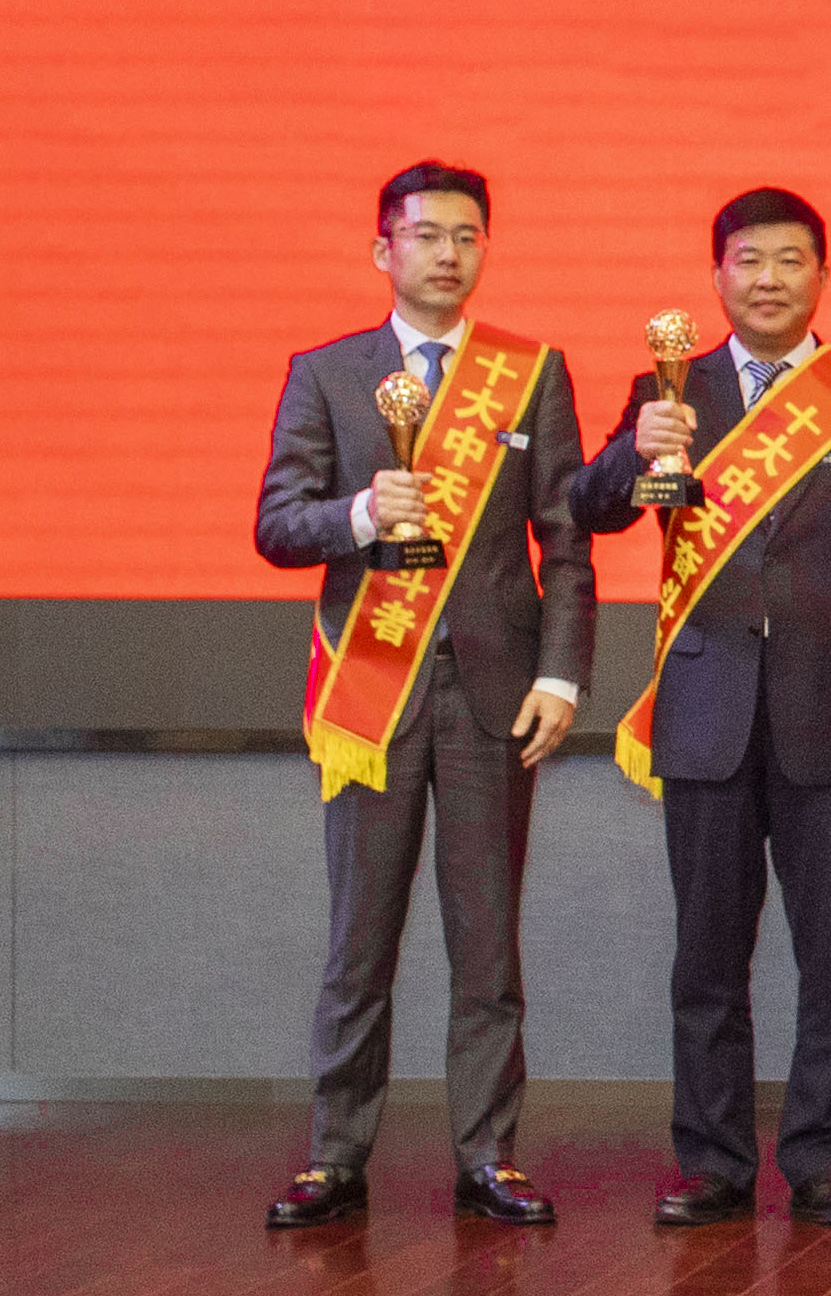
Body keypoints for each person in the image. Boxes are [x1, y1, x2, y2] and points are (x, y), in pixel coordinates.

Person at [578, 185, 831, 1231]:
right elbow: (589, 505)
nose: (769, 278)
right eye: (749, 259)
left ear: (822, 274)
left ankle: (829, 1158)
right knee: (706, 956)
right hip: (707, 710)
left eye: (790, 259)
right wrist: (634, 449)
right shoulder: (671, 389)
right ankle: (713, 1160)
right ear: (718, 275)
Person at [252, 160, 592, 1232]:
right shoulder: (326, 373)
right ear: (383, 249)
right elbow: (278, 523)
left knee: (488, 945)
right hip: (373, 693)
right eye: (426, 234)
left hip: (497, 694)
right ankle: (334, 1156)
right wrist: (360, 512)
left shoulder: (531, 375)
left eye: (467, 236)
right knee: (360, 942)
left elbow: (566, 541)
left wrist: (561, 673)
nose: (448, 253)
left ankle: (489, 1154)